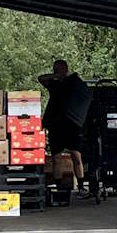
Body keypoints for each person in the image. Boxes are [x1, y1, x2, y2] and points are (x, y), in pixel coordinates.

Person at [39, 59, 89, 198]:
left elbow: (85, 95)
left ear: (66, 69)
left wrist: (68, 77)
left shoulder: (73, 82)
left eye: (61, 69)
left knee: (76, 155)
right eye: (56, 69)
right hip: (56, 124)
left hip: (72, 124)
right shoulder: (53, 84)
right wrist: (56, 77)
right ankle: (59, 187)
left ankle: (81, 186)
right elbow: (41, 78)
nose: (58, 71)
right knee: (56, 158)